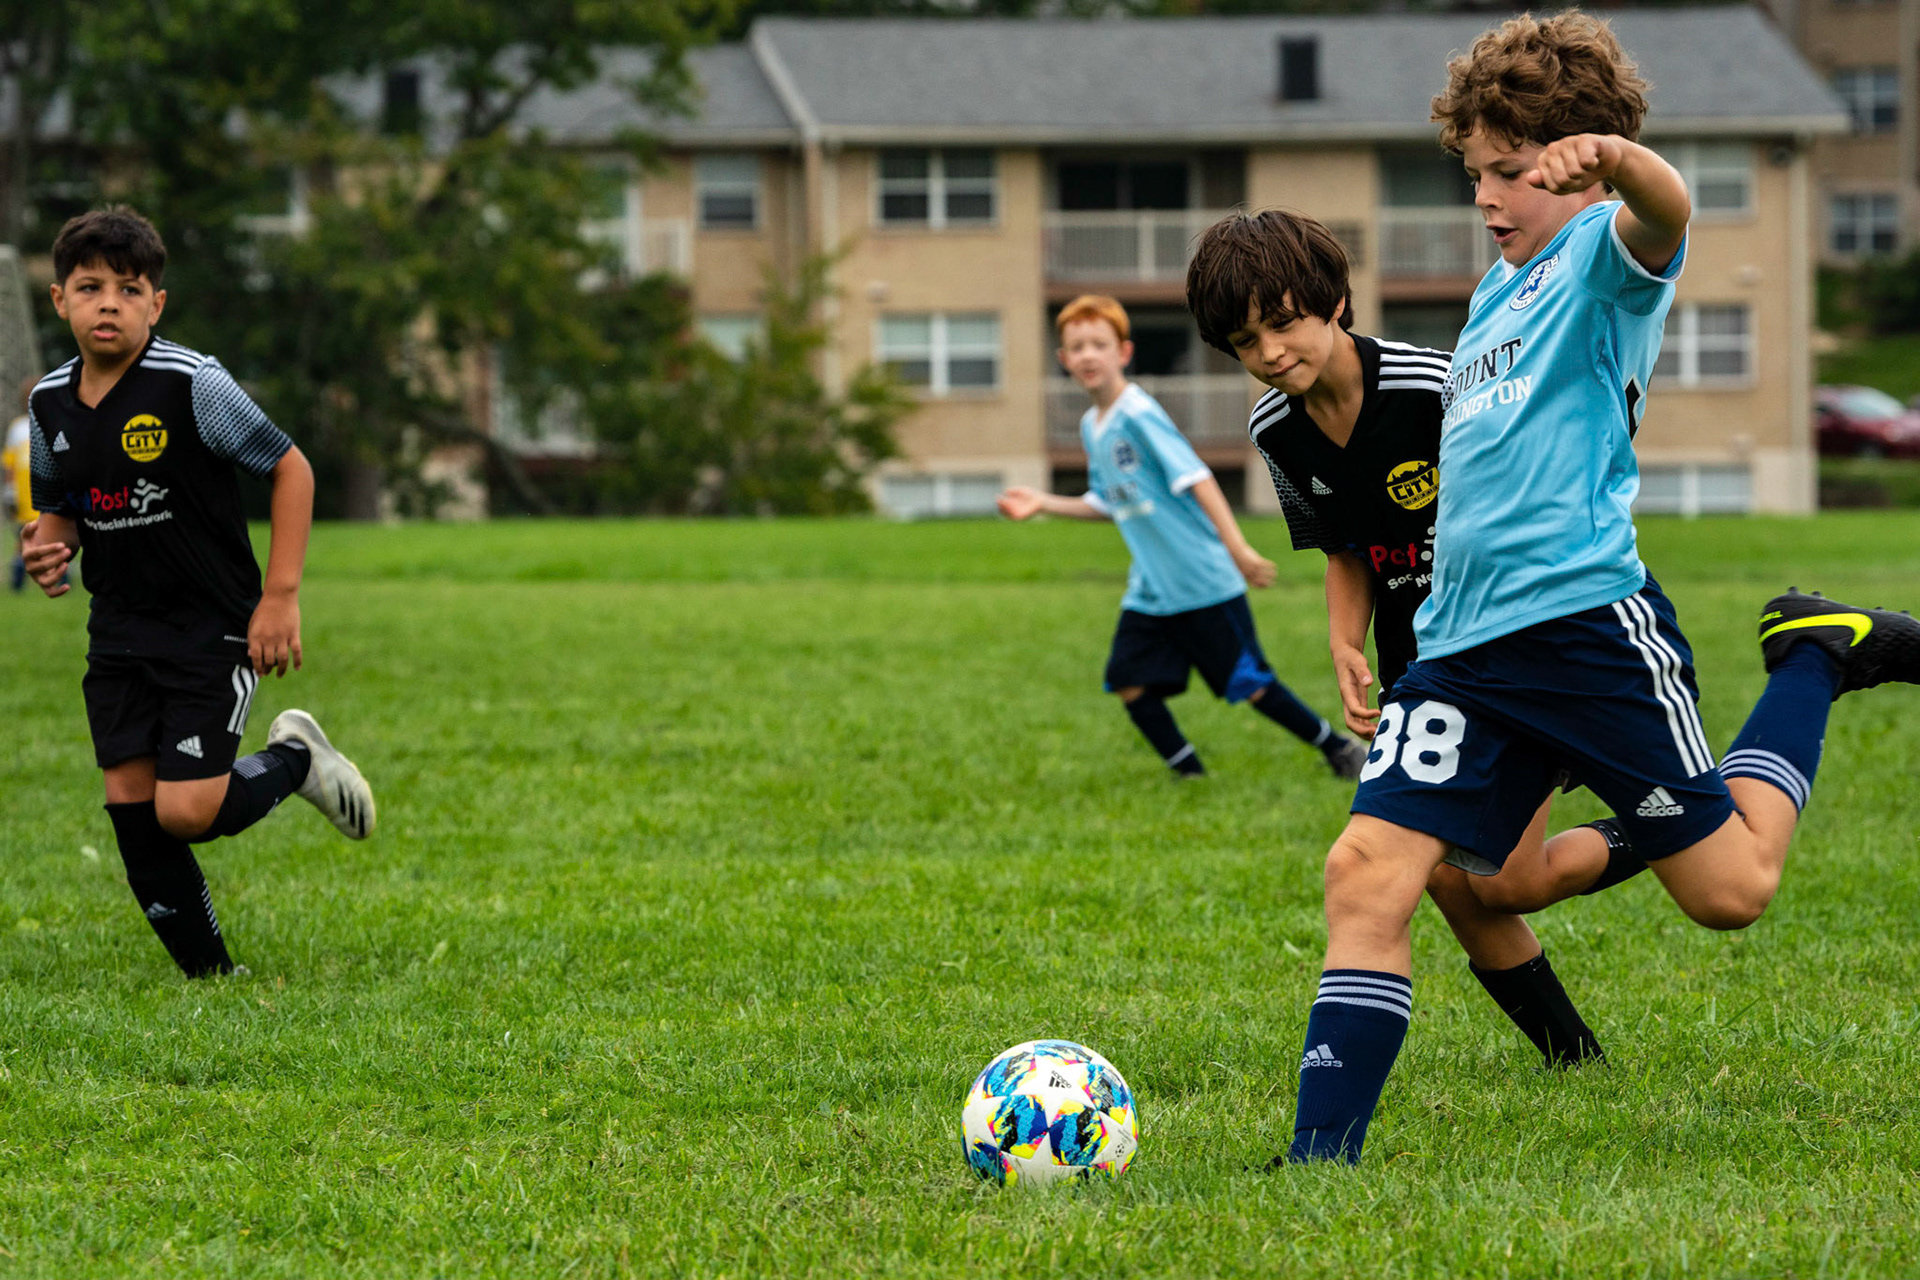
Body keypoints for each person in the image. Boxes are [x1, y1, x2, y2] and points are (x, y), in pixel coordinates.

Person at [1261, 12, 1920, 1164]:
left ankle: (1817, 651)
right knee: (1389, 871)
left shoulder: (1604, 262)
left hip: (1584, 630)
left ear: (1577, 164)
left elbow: (1671, 214)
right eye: (1478, 175)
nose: (1488, 197)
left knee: (1729, 888)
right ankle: (1318, 1162)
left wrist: (1621, 166)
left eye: (1510, 172)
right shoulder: (1492, 294)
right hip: (1461, 652)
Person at [1187, 207, 1629, 1069]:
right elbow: (1346, 549)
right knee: (1442, 876)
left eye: (1284, 322)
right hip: (1418, 671)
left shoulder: (1442, 389)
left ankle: (1678, 813)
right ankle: (1573, 1059)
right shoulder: (1275, 430)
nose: (1271, 353)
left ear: (1337, 302)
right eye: (1246, 341)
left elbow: (1534, 504)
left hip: (1513, 647)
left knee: (1509, 877)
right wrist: (1345, 645)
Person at [21, 206, 376, 979]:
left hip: (210, 628)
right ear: (59, 301)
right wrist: (51, 546)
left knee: (185, 812)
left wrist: (278, 596)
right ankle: (214, 979)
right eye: (89, 287)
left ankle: (294, 762)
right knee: (132, 808)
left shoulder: (191, 384)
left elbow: (291, 468)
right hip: (116, 632)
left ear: (157, 303)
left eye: (128, 287)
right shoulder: (48, 401)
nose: (108, 302)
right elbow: (61, 509)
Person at [997, 294, 1367, 781]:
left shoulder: (1137, 413)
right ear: (1063, 360)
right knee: (1128, 680)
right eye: (1076, 347)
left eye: (1098, 344)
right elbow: (1111, 502)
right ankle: (1189, 774)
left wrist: (1238, 551)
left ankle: (1338, 748)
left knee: (1250, 685)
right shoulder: (1094, 426)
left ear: (1123, 353)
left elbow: (1197, 478)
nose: (1088, 355)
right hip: (1151, 590)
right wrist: (1044, 503)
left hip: (1201, 580)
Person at [4, 375, 36, 590]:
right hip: (24, 496)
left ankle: (62, 578)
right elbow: (10, 463)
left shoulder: (51, 420)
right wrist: (9, 490)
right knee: (22, 540)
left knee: (56, 539)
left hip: (47, 493)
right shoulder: (17, 428)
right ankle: (18, 582)